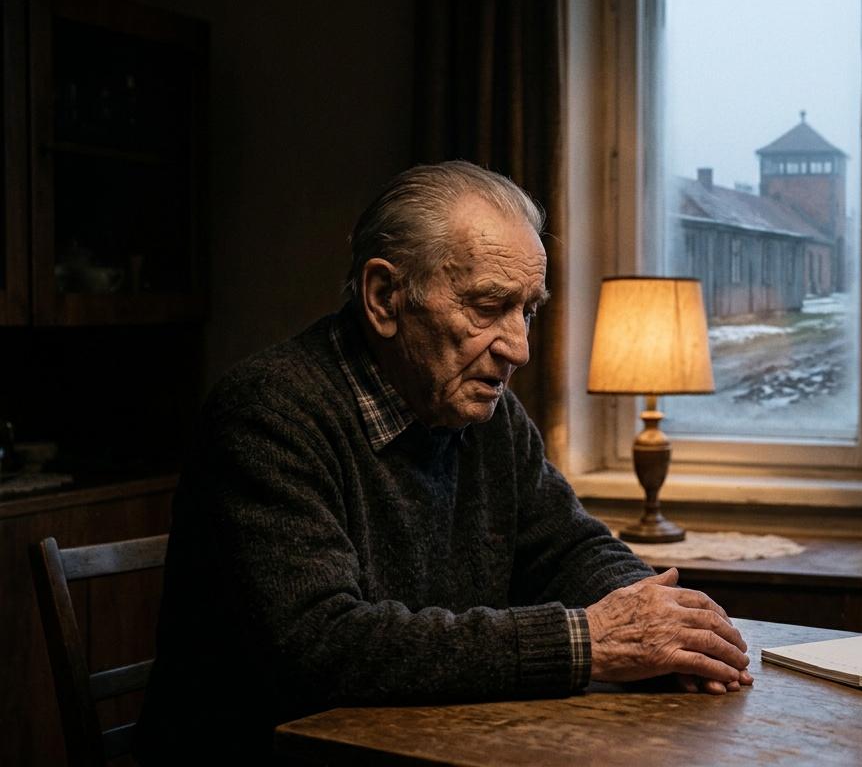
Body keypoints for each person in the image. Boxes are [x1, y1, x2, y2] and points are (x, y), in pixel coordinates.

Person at [136, 160, 752, 763]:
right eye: (487, 306)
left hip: (423, 747)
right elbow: (321, 645)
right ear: (384, 297)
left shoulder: (483, 409)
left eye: (528, 310)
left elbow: (567, 548)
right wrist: (589, 641)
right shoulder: (268, 411)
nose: (519, 348)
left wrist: (666, 624)